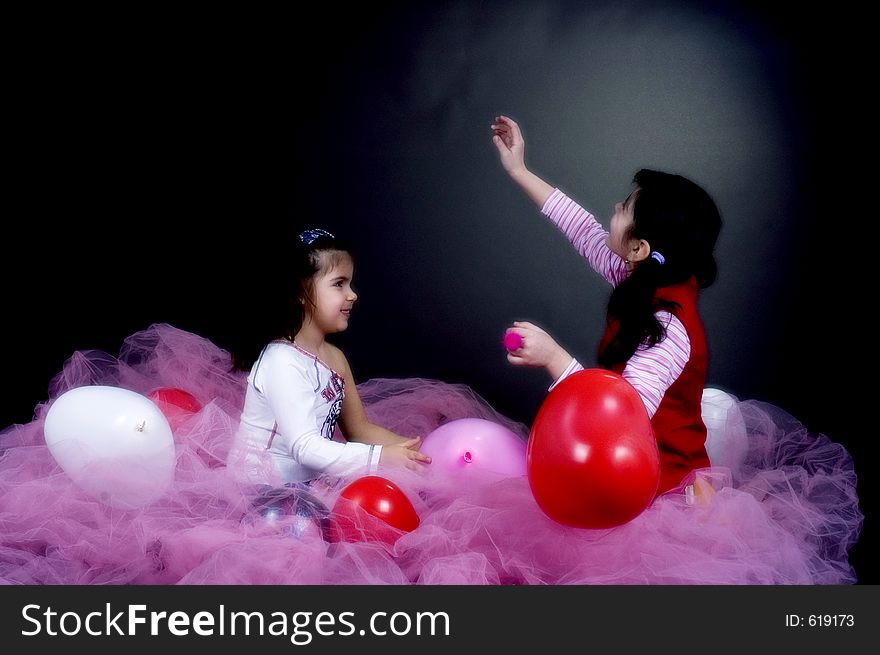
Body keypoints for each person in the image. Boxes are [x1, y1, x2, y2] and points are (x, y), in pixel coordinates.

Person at [492, 115, 722, 495]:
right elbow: (581, 228)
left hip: (659, 486)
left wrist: (555, 359)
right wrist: (519, 169)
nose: (615, 206)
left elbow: (620, 423)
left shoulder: (669, 327)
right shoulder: (641, 275)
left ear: (639, 248)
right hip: (620, 467)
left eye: (625, 208)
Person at [227, 227, 431, 486]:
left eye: (350, 283)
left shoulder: (334, 357)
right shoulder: (281, 360)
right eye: (338, 284)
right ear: (301, 293)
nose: (352, 294)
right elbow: (304, 447)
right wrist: (379, 457)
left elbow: (359, 430)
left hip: (307, 485)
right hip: (262, 487)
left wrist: (414, 452)